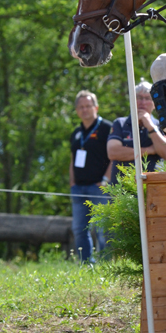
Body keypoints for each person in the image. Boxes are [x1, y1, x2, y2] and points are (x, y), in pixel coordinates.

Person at [70, 90, 113, 263]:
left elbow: (115, 157)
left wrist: (106, 180)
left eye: (88, 106)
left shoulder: (107, 129)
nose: (84, 110)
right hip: (79, 188)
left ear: (96, 107)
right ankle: (86, 265)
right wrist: (72, 182)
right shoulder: (76, 133)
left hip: (100, 187)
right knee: (79, 229)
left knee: (103, 229)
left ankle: (106, 266)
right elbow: (72, 159)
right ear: (76, 110)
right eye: (81, 107)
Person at [107, 81, 166, 184]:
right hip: (123, 189)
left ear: (154, 104)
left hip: (153, 186)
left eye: (147, 98)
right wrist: (150, 150)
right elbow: (113, 152)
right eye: (138, 98)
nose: (142, 102)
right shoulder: (120, 123)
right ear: (132, 101)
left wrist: (150, 126)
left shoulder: (161, 125)